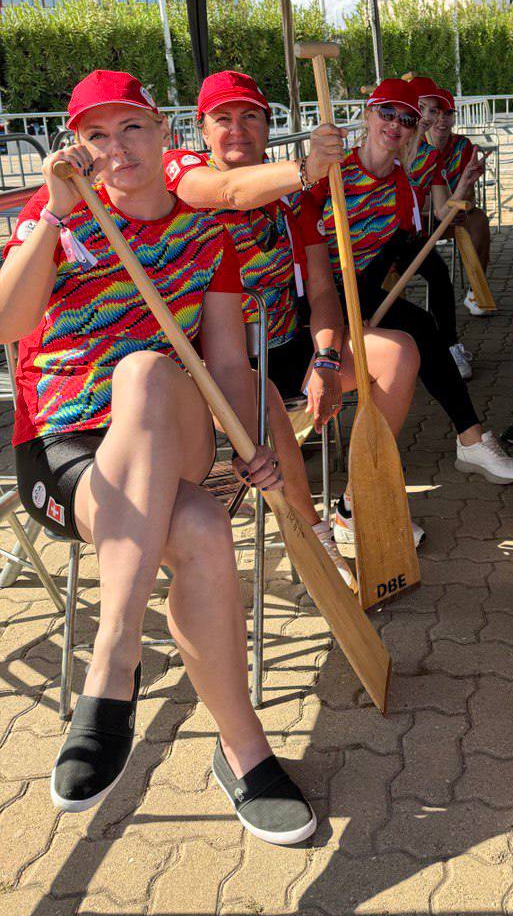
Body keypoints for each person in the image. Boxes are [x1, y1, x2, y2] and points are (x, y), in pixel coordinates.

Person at [0, 70, 316, 844]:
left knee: (143, 371)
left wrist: (253, 446)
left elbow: (230, 365)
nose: (117, 148)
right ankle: (245, 755)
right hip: (64, 451)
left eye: (132, 128)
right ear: (77, 147)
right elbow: (6, 323)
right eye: (97, 135)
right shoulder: (58, 216)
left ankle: (112, 662)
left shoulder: (206, 238)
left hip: (174, 433)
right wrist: (54, 216)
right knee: (202, 530)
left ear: (164, 133)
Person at [162, 70, 421, 572]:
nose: (237, 129)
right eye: (223, 118)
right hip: (206, 371)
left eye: (250, 117)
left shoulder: (292, 201)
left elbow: (323, 291)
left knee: (398, 352)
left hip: (284, 347)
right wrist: (306, 167)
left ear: (267, 125)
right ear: (202, 128)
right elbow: (227, 191)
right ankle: (313, 536)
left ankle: (356, 505)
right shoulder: (180, 170)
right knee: (264, 396)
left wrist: (326, 359)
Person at [311, 78, 513, 505]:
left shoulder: (401, 186)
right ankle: (378, 481)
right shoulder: (328, 176)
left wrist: (461, 192)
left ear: (413, 129)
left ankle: (470, 439)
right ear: (367, 115)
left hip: (363, 289)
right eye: (386, 113)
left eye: (406, 119)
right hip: (318, 297)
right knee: (418, 331)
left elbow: (404, 247)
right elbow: (301, 258)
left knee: (425, 325)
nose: (395, 124)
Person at [404, 74, 477, 373]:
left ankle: (449, 347)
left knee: (439, 273)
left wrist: (465, 184)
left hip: (405, 237)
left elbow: (441, 211)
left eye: (434, 110)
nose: (427, 116)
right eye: (422, 108)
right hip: (367, 241)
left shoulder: (430, 156)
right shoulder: (388, 142)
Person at [423, 84, 494, 318]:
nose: (441, 120)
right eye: (435, 112)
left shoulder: (463, 146)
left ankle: (476, 291)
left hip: (454, 215)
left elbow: (470, 196)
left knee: (479, 220)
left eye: (448, 113)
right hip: (418, 219)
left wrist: (465, 207)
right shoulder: (412, 146)